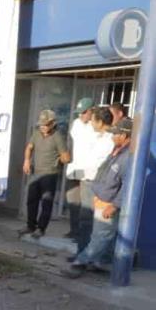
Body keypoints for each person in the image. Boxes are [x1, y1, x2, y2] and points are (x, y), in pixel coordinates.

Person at [63, 117, 134, 278]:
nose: (112, 136)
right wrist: (96, 194)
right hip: (101, 199)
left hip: (109, 203)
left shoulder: (128, 158)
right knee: (103, 235)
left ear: (124, 135)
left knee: (101, 236)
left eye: (116, 134)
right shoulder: (117, 151)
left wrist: (114, 205)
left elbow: (127, 186)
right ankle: (98, 263)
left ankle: (79, 263)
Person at [67, 107, 115, 259]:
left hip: (99, 185)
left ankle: (93, 258)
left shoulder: (111, 140)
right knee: (86, 221)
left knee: (99, 223)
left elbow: (101, 165)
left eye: (93, 120)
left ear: (100, 122)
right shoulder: (95, 136)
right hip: (87, 181)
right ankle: (81, 254)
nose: (91, 123)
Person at [19, 110, 71, 238]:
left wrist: (60, 160)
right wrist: (26, 161)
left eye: (46, 124)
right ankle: (30, 226)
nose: (43, 127)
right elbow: (29, 147)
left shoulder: (58, 137)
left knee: (46, 202)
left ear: (53, 123)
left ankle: (41, 229)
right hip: (35, 173)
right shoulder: (36, 134)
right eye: (41, 124)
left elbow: (66, 157)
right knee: (31, 200)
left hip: (50, 174)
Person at [64, 98, 95, 238]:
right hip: (74, 168)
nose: (81, 116)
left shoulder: (95, 126)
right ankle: (74, 230)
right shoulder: (76, 124)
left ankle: (82, 235)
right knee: (73, 201)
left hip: (88, 170)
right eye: (79, 113)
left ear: (91, 111)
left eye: (83, 113)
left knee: (86, 205)